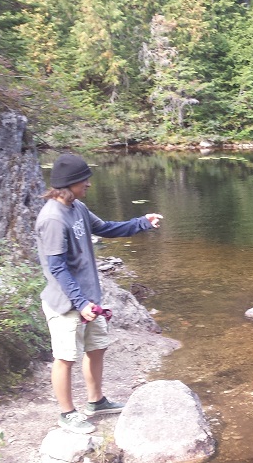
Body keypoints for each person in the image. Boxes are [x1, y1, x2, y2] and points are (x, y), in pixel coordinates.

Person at [35, 153, 163, 434]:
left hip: (88, 300)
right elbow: (57, 268)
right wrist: (80, 303)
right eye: (84, 180)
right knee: (65, 357)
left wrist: (141, 222)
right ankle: (67, 413)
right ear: (69, 184)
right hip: (66, 303)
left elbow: (104, 228)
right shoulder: (53, 218)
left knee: (96, 347)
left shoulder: (77, 207)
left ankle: (96, 402)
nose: (89, 184)